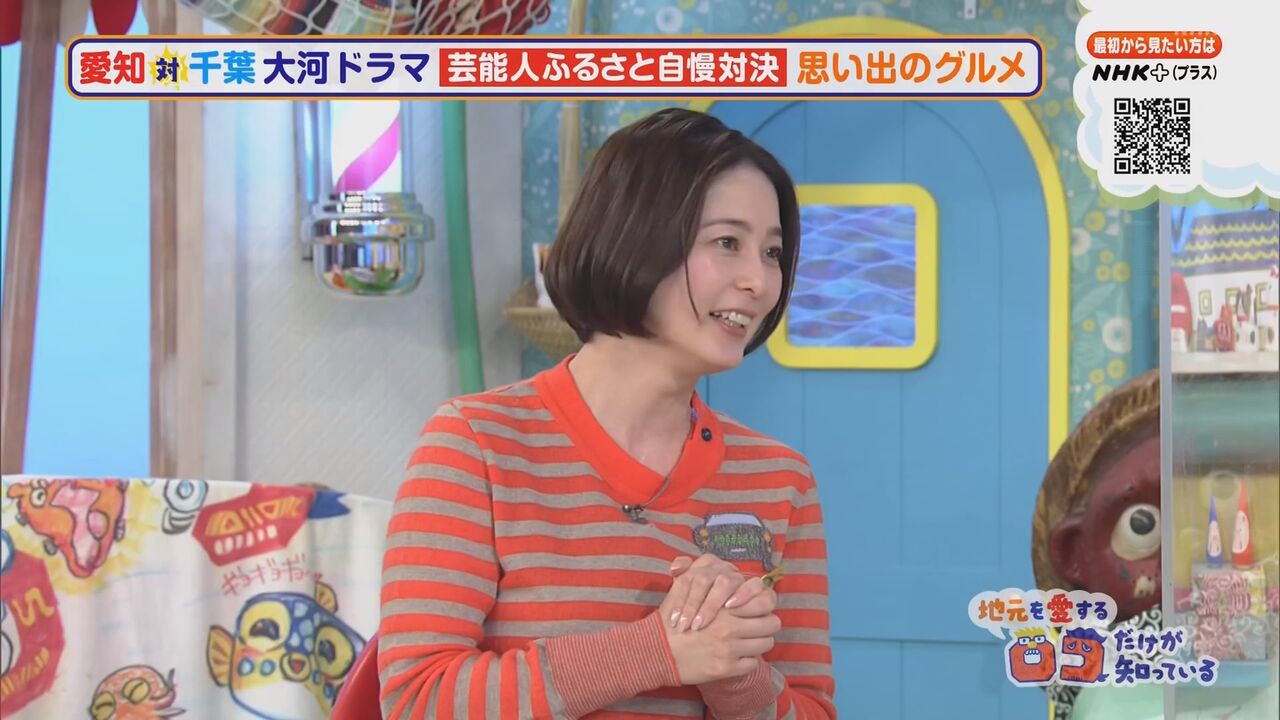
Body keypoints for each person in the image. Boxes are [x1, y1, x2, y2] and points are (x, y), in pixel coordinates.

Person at [378, 107, 835, 719]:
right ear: (632, 236)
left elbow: (811, 709)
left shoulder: (781, 480)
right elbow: (417, 701)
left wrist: (735, 675)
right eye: (727, 242)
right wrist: (657, 652)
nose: (759, 280)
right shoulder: (475, 445)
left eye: (773, 252)